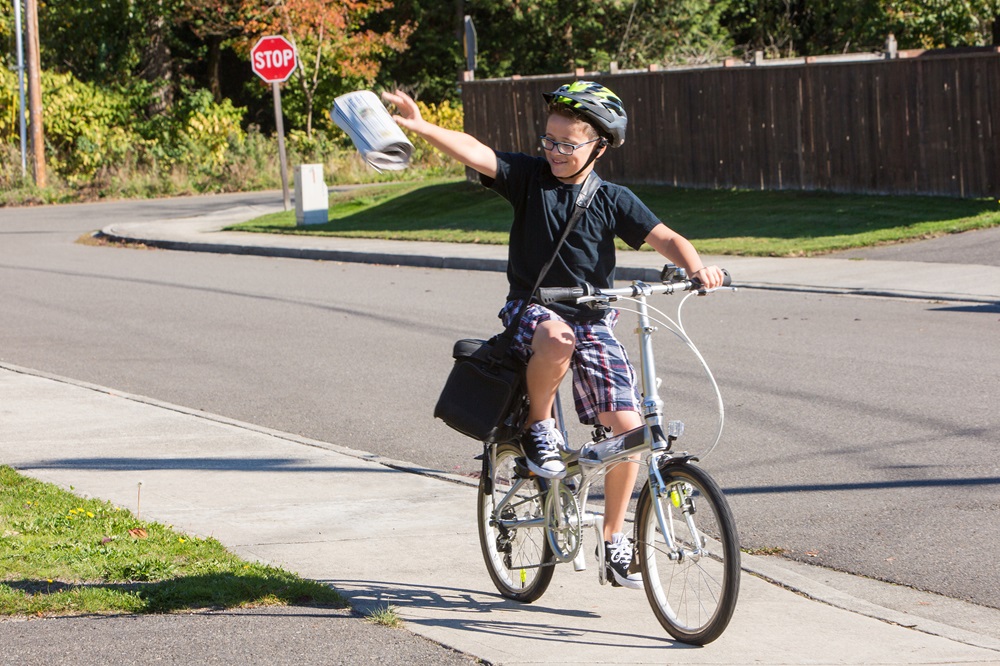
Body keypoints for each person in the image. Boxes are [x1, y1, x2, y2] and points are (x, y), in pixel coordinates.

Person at [384, 81, 725, 589]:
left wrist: (698, 268)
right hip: (531, 310)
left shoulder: (613, 199)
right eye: (549, 140)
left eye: (568, 144)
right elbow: (476, 151)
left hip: (593, 316)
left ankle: (613, 541)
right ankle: (542, 426)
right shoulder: (530, 179)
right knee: (558, 338)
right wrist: (419, 125)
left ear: (599, 146)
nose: (555, 151)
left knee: (631, 430)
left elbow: (666, 238)